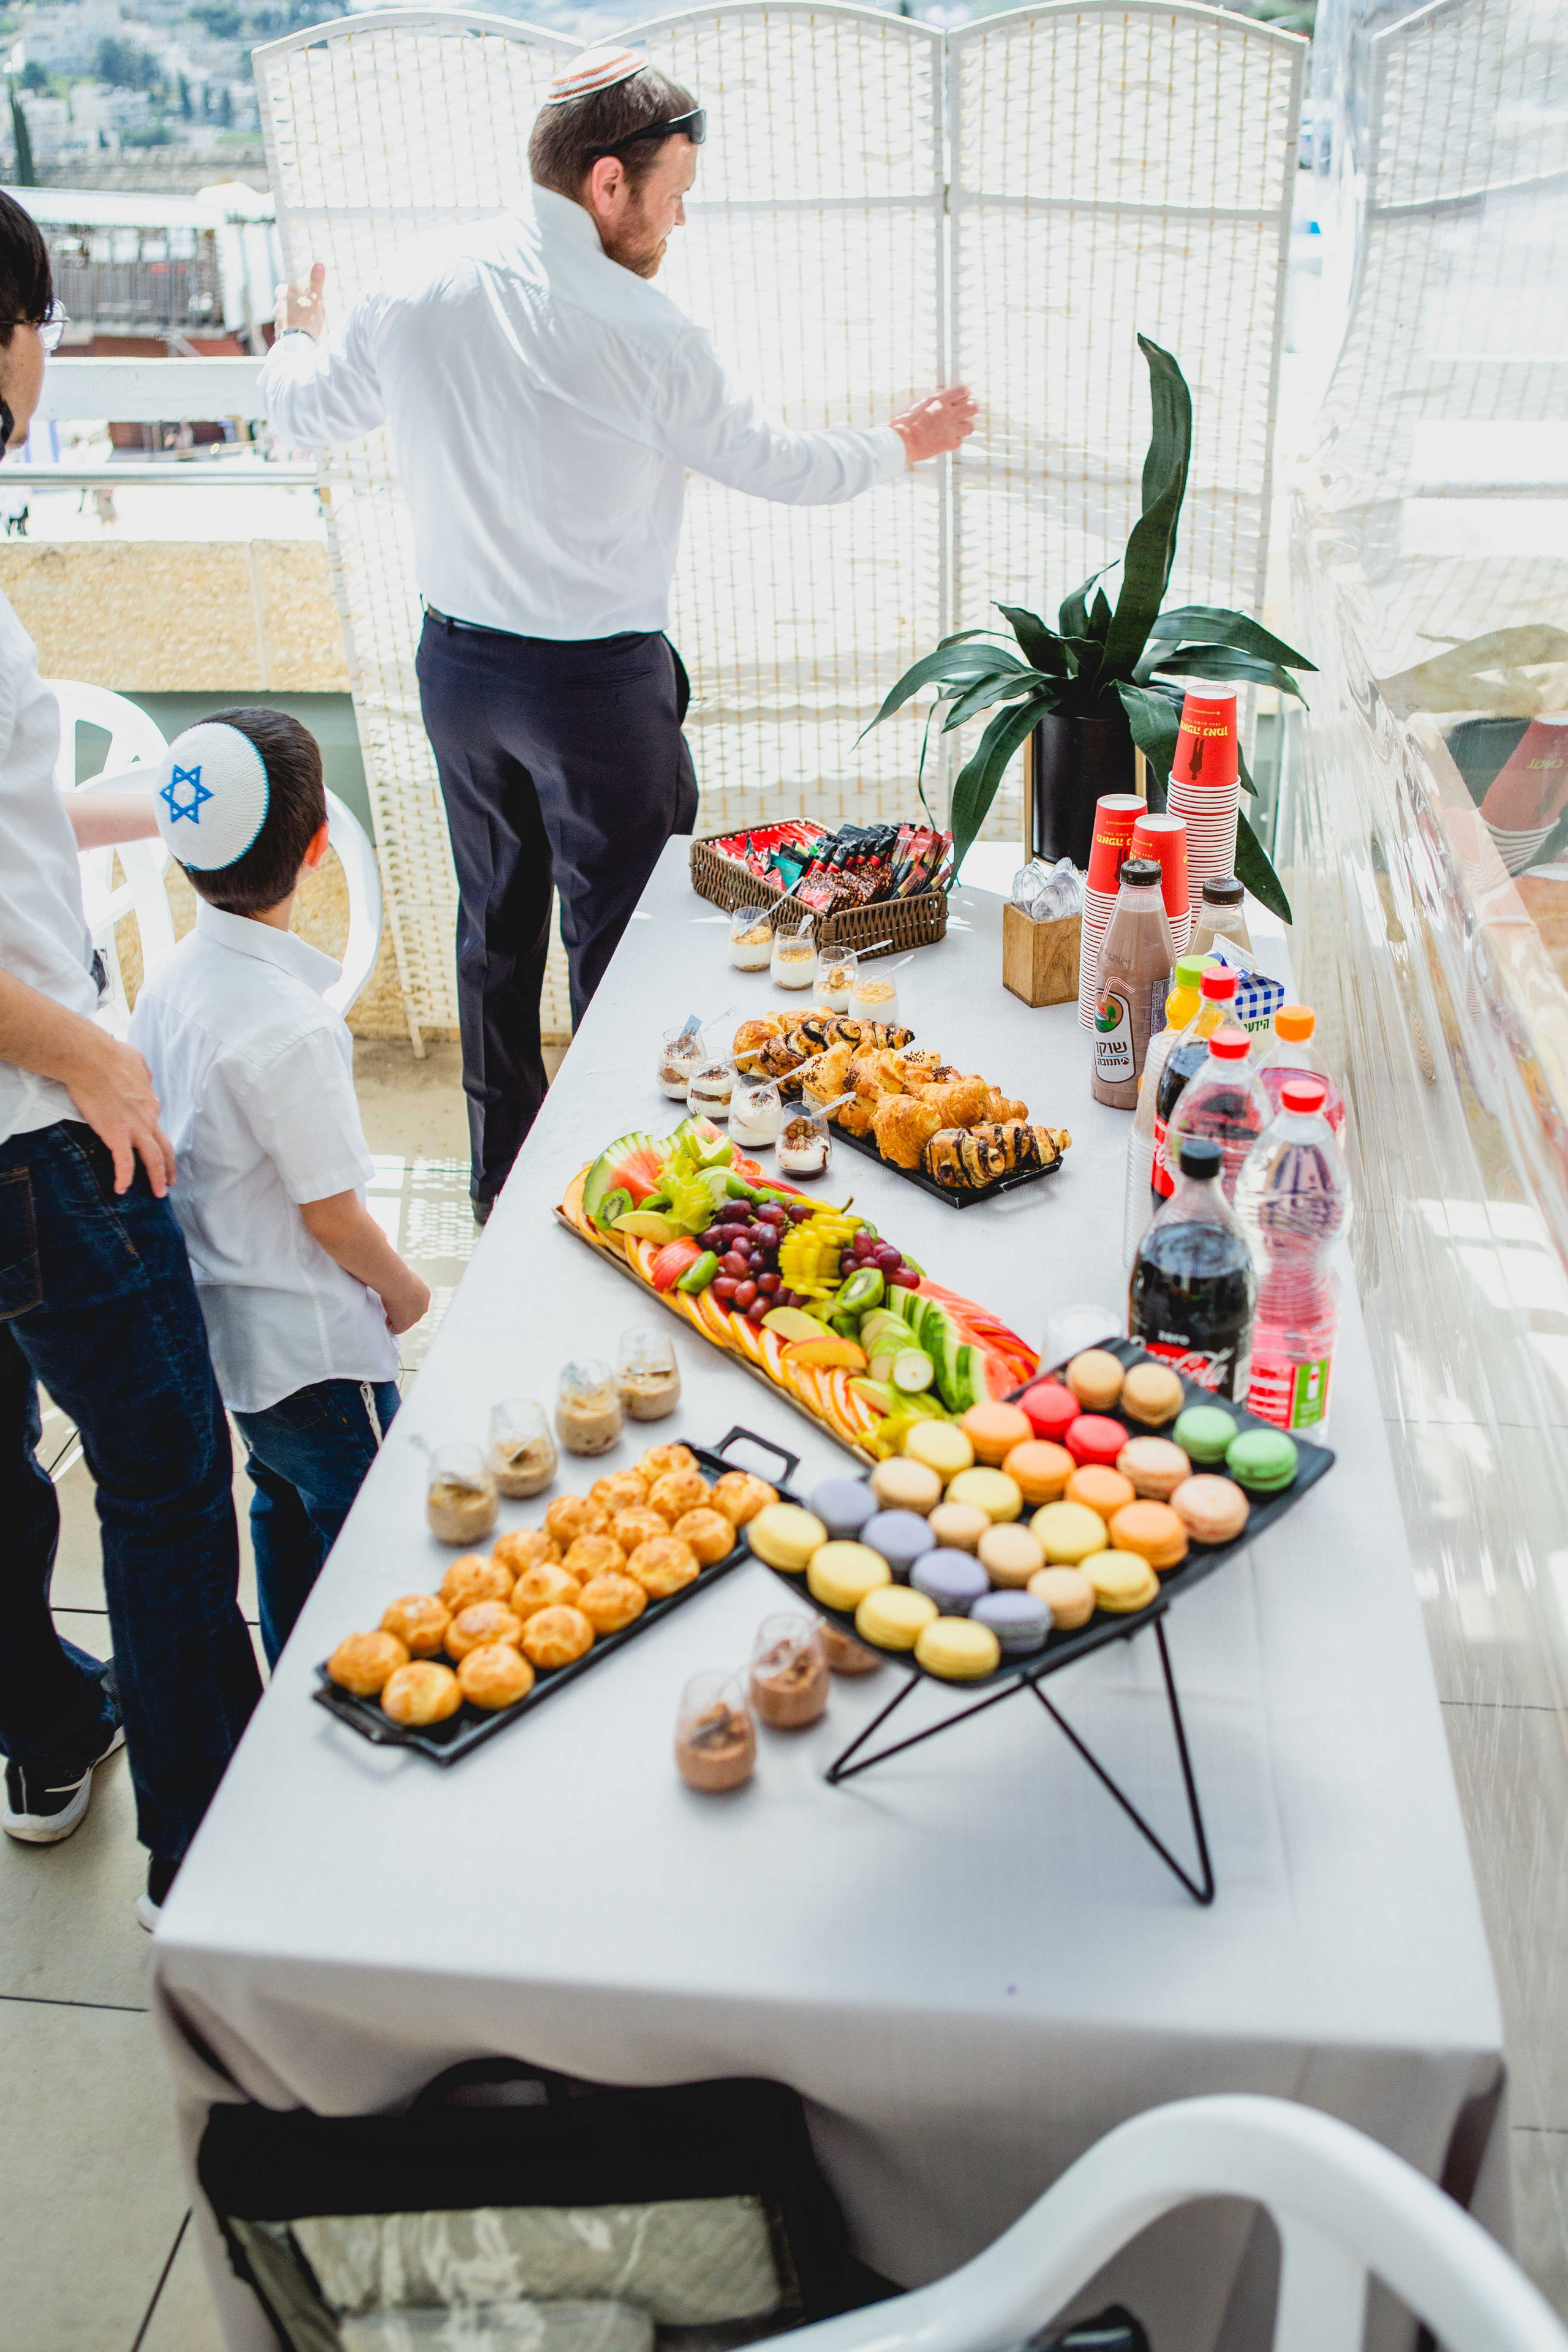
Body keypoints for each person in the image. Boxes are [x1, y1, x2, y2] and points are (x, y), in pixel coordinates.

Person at [264, 43, 976, 1221]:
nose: (681, 221)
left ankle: (502, 1192)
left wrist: (294, 330)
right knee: (631, 944)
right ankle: (624, 1185)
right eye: (675, 194)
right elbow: (784, 467)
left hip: (459, 674)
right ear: (607, 184)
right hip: (594, 694)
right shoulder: (649, 332)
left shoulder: (413, 285)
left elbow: (301, 413)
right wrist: (906, 440)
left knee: (494, 933)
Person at [0, 189, 261, 1928]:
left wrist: (146, 807)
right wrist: (90, 1054)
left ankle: (42, 1726)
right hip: (29, 1127)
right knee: (168, 1483)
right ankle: (224, 1866)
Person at [129, 714, 431, 1665]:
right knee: (365, 1536)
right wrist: (407, 1290)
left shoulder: (172, 978)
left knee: (281, 1503)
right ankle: (356, 1683)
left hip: (233, 1335)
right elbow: (332, 1215)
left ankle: (292, 1670)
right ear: (316, 850)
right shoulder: (293, 1029)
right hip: (315, 1349)